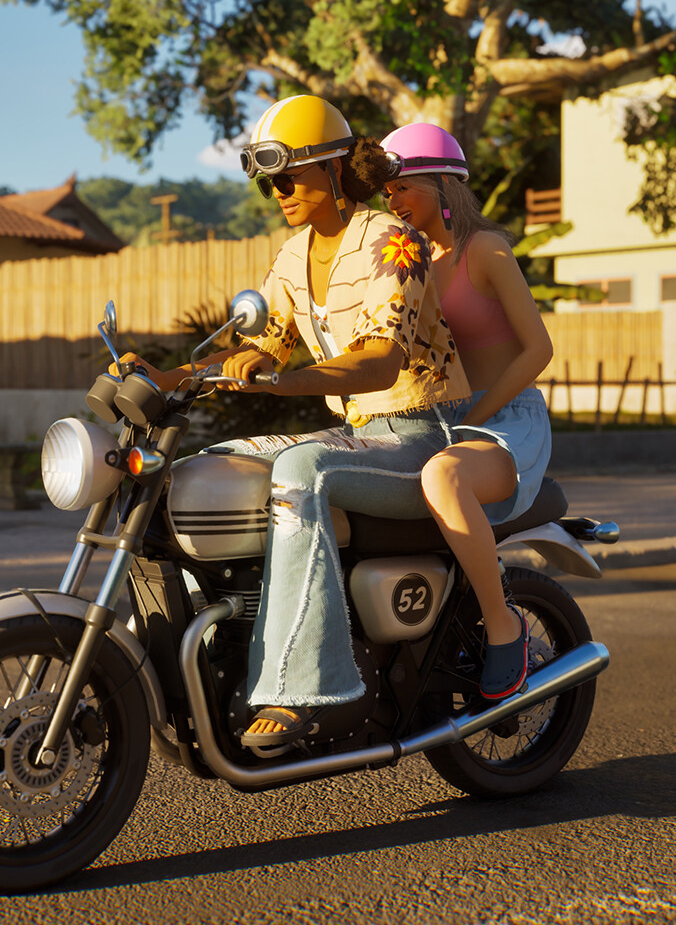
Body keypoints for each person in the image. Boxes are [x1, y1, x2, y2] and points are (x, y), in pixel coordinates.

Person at [113, 95, 467, 750]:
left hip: (418, 433)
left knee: (299, 467)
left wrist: (287, 382)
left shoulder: (396, 242)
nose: (277, 192)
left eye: (289, 177)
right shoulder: (292, 255)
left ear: (336, 171)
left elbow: (380, 361)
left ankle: (304, 690)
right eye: (268, 182)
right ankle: (215, 638)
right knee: (202, 472)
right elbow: (264, 346)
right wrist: (166, 378)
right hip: (359, 438)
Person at [380, 123, 554, 701]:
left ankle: (503, 625)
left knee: (442, 475)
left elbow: (539, 350)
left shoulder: (487, 250)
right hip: (443, 418)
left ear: (443, 184)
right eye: (387, 193)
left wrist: (480, 414)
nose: (394, 201)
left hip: (507, 420)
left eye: (404, 187)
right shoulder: (413, 259)